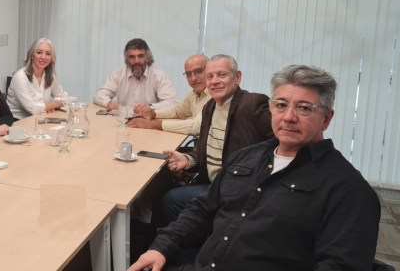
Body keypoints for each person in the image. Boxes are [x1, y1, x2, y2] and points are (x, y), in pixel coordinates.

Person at [129, 64, 381, 271]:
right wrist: (161, 246)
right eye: (281, 105)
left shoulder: (348, 190)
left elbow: (340, 265)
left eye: (304, 108)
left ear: (326, 118)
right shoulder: (246, 157)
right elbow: (203, 210)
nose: (289, 116)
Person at [151, 54, 272, 229]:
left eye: (222, 75)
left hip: (237, 189)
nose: (214, 81)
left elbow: (280, 143)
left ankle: (171, 252)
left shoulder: (252, 103)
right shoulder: (210, 107)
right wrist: (189, 160)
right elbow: (204, 147)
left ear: (237, 77)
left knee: (170, 200)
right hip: (215, 182)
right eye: (210, 76)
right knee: (160, 188)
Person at [129, 54, 211, 136]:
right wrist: (153, 114)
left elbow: (196, 126)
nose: (193, 78)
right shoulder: (194, 94)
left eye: (199, 71)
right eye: (188, 74)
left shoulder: (215, 94)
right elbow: (177, 111)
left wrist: (153, 124)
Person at [94, 38, 178, 111]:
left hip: (147, 122)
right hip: (122, 121)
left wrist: (151, 107)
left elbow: (172, 102)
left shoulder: (159, 76)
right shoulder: (118, 74)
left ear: (147, 58)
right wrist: (108, 103)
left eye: (140, 56)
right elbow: (98, 95)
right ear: (127, 60)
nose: (136, 61)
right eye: (132, 57)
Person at [6, 38, 68, 119]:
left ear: (51, 58)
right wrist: (55, 104)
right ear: (32, 55)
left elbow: (64, 97)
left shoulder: (49, 75)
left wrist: (49, 107)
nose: (43, 57)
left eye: (48, 54)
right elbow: (33, 109)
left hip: (40, 119)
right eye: (39, 52)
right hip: (17, 122)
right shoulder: (20, 77)